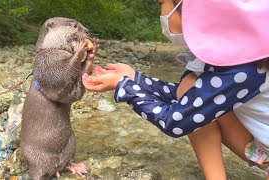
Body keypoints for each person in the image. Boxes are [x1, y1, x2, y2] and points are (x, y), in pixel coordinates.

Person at [82, 0, 269, 179]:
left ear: (189, 7)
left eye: (162, 4)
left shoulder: (242, 69)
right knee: (190, 89)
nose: (162, 14)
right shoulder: (239, 56)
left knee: (193, 97)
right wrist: (134, 78)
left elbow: (174, 122)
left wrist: (125, 88)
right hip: (261, 152)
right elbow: (190, 98)